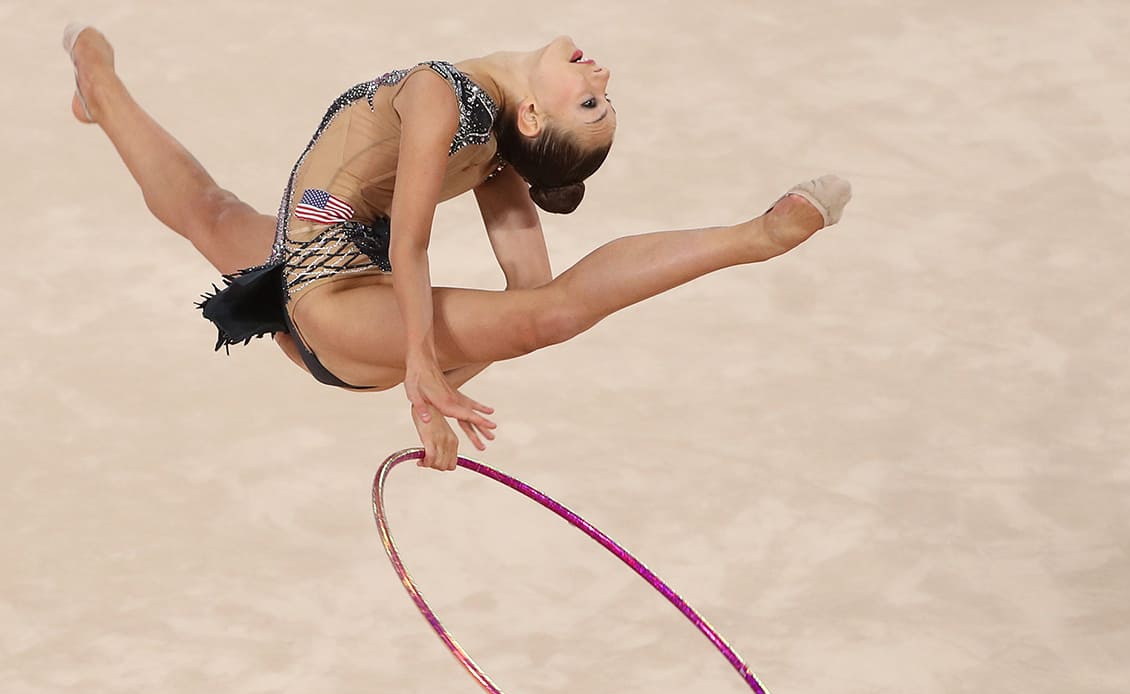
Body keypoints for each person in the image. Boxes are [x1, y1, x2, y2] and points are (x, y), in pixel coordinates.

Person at [62, 24, 851, 470]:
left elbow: (454, 261)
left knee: (547, 315)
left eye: (592, 100)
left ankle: (759, 236)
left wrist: (423, 378)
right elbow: (434, 258)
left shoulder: (465, 115)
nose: (600, 73)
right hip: (321, 296)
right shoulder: (458, 102)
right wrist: (426, 372)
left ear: (535, 119)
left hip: (344, 307)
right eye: (602, 98)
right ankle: (102, 89)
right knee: (207, 211)